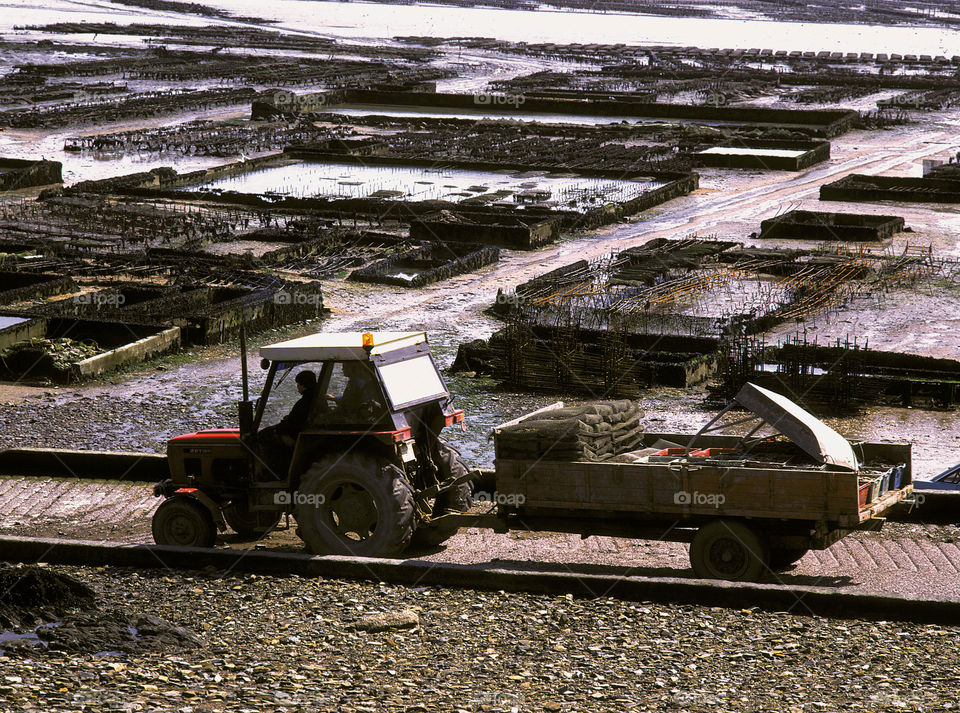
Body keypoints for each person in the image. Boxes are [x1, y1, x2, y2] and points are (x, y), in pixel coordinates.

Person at [259, 370, 317, 479]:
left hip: (298, 435)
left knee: (264, 435)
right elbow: (294, 420)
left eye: (298, 384)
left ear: (303, 385)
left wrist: (277, 428)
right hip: (303, 430)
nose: (297, 387)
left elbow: (291, 424)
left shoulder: (304, 402)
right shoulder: (316, 398)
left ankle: (277, 472)